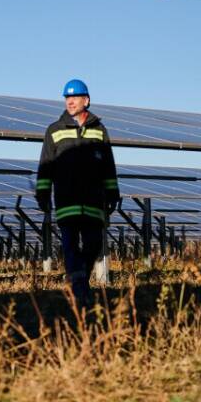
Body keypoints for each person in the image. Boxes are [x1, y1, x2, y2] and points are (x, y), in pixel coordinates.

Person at [35, 78, 120, 306]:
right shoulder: (54, 130)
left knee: (93, 245)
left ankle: (79, 279)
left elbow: (108, 166)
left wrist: (113, 192)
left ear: (87, 100)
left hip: (94, 199)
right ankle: (81, 290)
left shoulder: (100, 131)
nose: (70, 102)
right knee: (70, 246)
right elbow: (46, 165)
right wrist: (42, 194)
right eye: (67, 98)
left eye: (75, 97)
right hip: (67, 199)